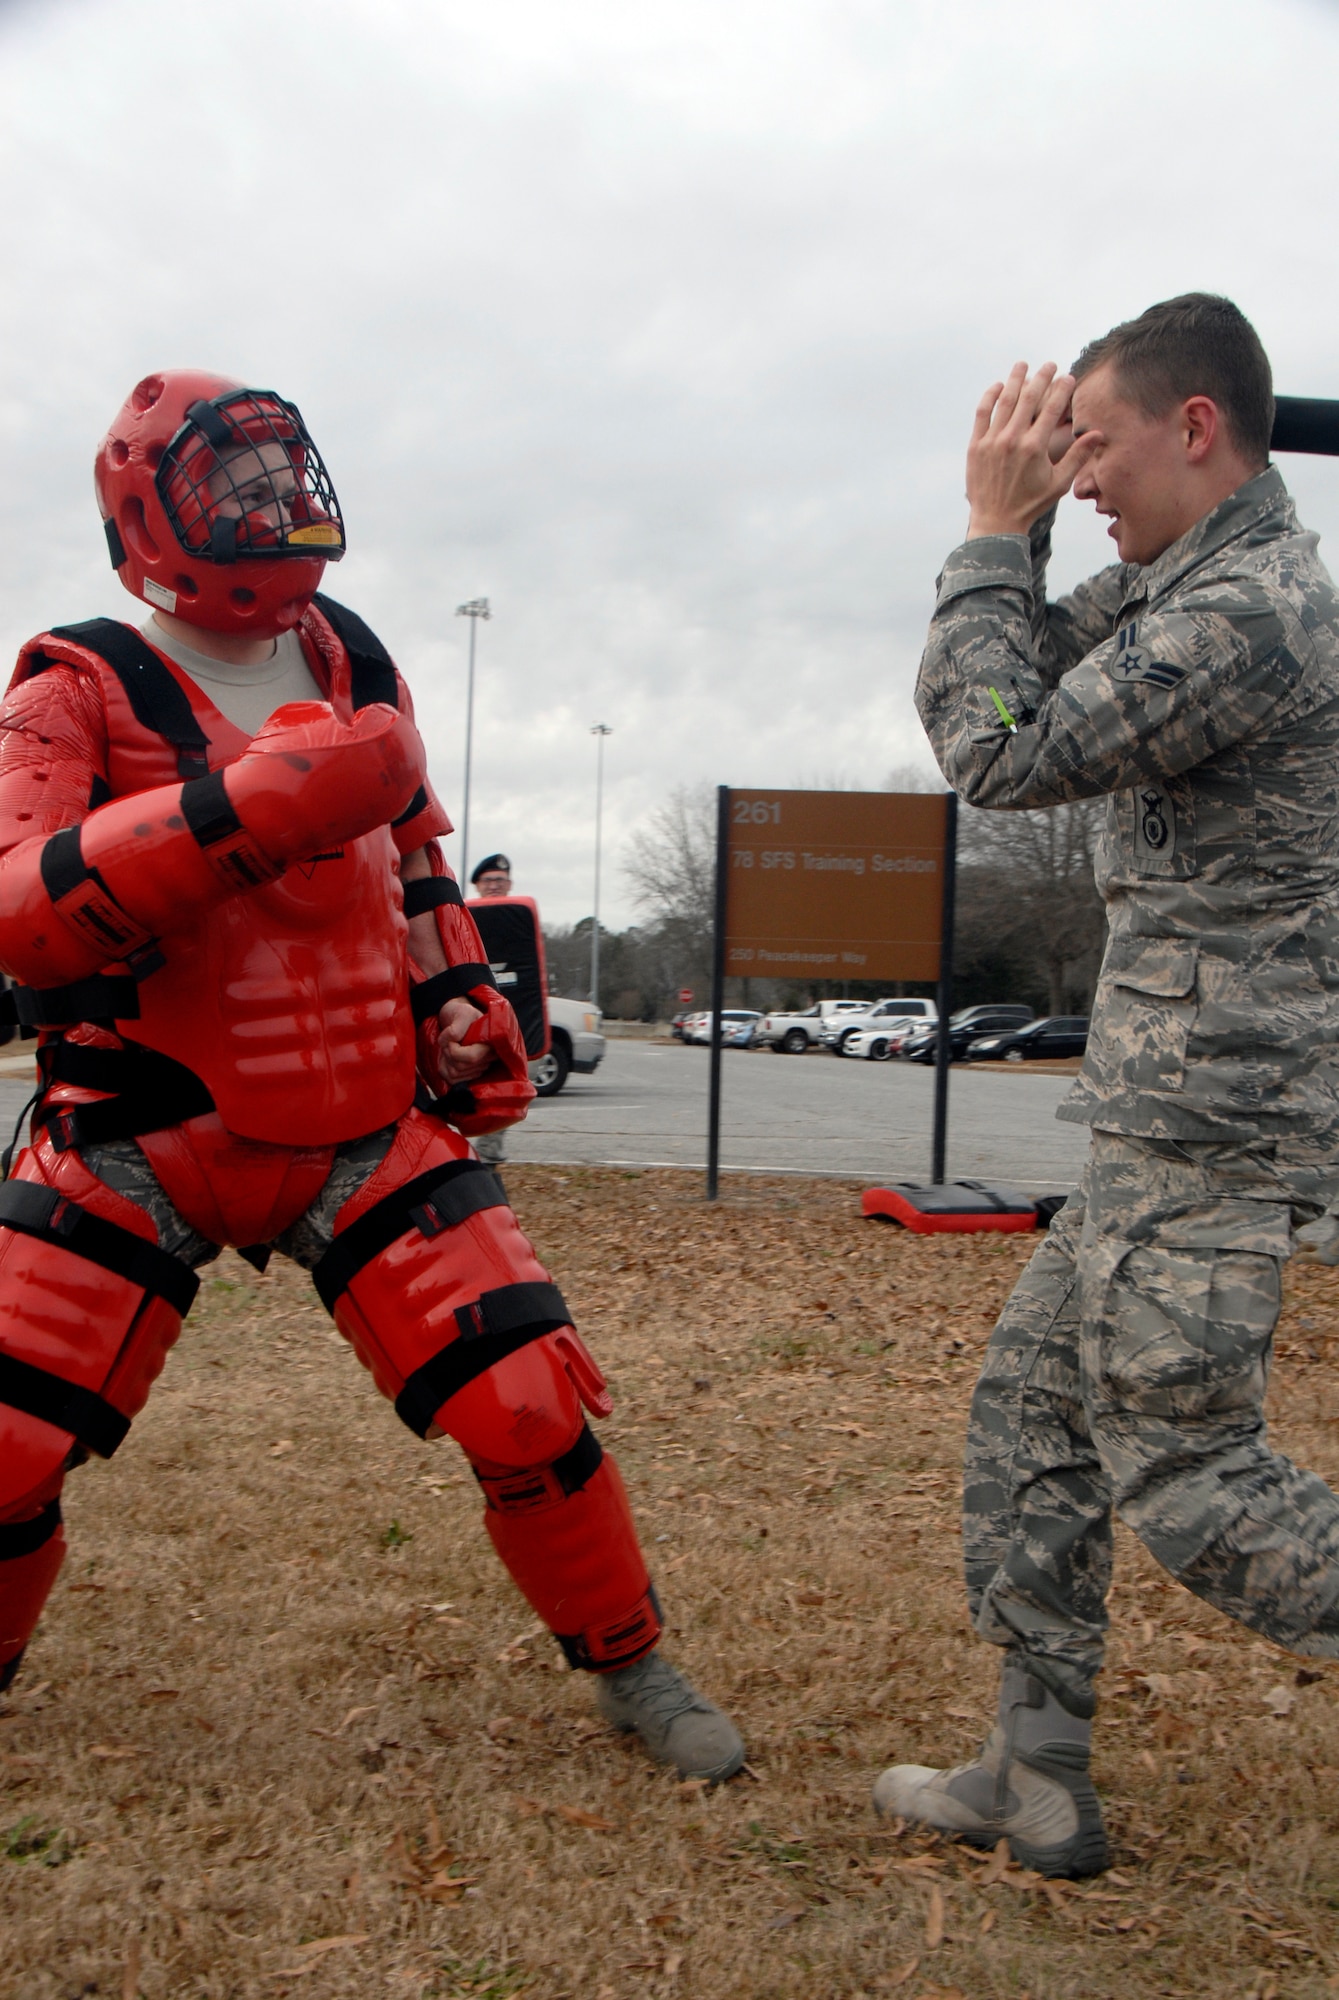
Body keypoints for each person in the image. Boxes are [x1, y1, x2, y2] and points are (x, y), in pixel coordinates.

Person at [0, 370, 743, 1785]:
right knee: (4, 1449)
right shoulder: (72, 682)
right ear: (152, 510)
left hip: (361, 1116)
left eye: (289, 477)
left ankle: (634, 1662)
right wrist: (238, 813)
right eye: (243, 485)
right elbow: (20, 910)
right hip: (145, 1122)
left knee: (527, 1402)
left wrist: (461, 996)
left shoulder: (354, 656)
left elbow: (414, 869)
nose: (280, 507)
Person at [875, 295, 1339, 1875]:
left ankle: (1038, 1768)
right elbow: (1003, 681)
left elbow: (999, 751)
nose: (1078, 480)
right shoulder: (1183, 581)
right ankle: (1036, 1769)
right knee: (1037, 1423)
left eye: (1101, 441)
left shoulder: (1249, 613)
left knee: (1194, 1478)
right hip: (1160, 1115)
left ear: (1195, 426)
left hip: (1217, 1124)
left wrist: (993, 528)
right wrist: (1009, 543)